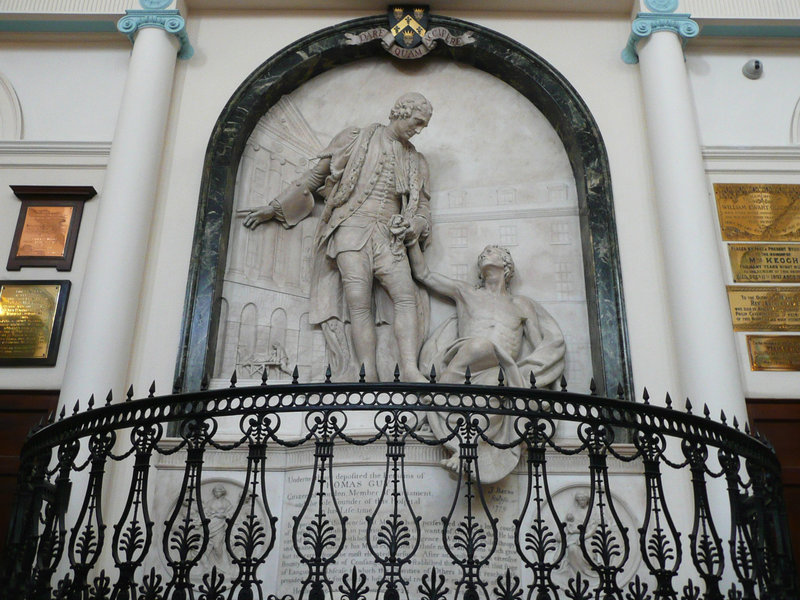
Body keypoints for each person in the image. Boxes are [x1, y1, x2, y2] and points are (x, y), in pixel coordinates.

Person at [241, 93, 433, 382]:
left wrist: (413, 227)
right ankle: (366, 371)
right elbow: (315, 176)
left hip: (390, 237)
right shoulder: (355, 138)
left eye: (423, 126)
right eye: (417, 122)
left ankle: (408, 368)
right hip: (351, 228)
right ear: (401, 112)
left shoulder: (417, 161)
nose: (418, 130)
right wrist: (276, 207)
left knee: (406, 297)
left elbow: (423, 209)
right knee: (358, 303)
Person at [409, 243, 566, 483]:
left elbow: (538, 347)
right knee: (480, 345)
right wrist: (411, 241)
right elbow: (424, 274)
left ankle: (465, 448)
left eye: (490, 252)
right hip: (465, 363)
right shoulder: (467, 292)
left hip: (497, 369)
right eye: (482, 253)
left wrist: (533, 379)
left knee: (497, 387)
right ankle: (440, 394)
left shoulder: (521, 304)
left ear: (506, 264)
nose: (483, 254)